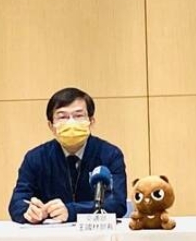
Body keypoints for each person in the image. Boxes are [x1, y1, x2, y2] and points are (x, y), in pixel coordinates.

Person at [8, 87, 127, 223]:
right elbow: (17, 204)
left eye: (78, 116)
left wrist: (71, 211)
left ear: (91, 121)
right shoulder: (35, 158)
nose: (71, 123)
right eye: (62, 117)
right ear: (51, 126)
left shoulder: (110, 155)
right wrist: (28, 212)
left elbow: (117, 204)